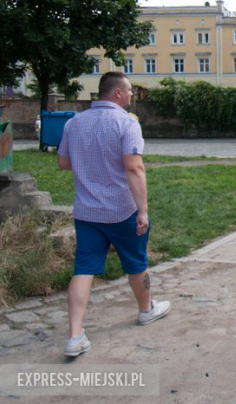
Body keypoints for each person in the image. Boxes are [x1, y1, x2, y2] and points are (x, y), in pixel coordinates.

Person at [57, 72, 170, 358]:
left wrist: (90, 167)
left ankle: (75, 335)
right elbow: (134, 168)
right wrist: (142, 210)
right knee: (136, 262)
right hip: (122, 210)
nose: (132, 95)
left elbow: (63, 163)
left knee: (83, 269)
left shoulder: (73, 123)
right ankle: (146, 309)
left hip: (87, 211)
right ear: (117, 93)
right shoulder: (126, 123)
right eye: (130, 90)